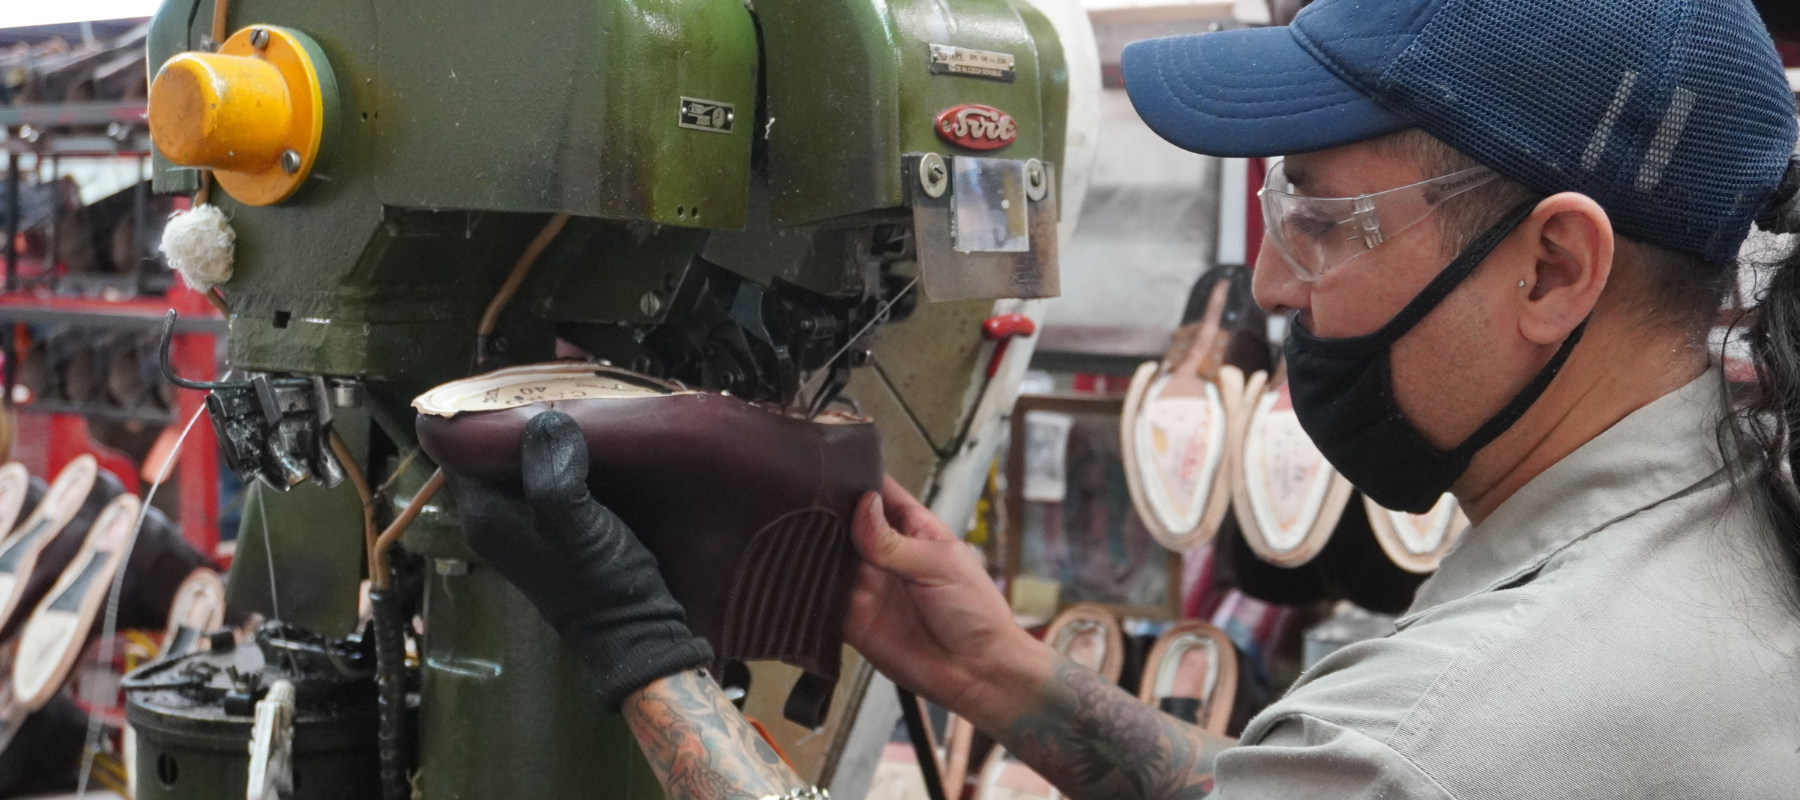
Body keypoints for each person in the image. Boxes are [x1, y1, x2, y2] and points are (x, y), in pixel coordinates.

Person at [445, 0, 1800, 797]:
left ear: (1556, 265)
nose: (1271, 278)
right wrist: (997, 673)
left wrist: (649, 663)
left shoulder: (1447, 732)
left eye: (1323, 218)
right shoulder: (1737, 525)